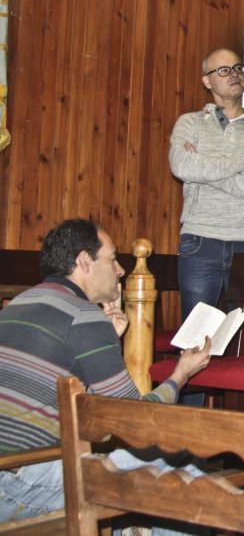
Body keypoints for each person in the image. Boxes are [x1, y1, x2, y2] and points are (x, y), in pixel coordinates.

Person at [0, 219, 211, 528]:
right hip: (24, 485)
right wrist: (180, 375)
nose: (120, 270)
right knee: (182, 455)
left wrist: (108, 339)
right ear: (85, 261)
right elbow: (136, 423)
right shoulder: (83, 317)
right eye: (112, 259)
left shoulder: (16, 305)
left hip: (11, 471)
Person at [168, 48, 244, 356]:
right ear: (206, 81)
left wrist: (205, 168)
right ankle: (191, 407)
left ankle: (240, 408)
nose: (234, 74)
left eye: (237, 67)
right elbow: (182, 167)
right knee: (195, 343)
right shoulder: (190, 123)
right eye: (223, 70)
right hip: (200, 239)